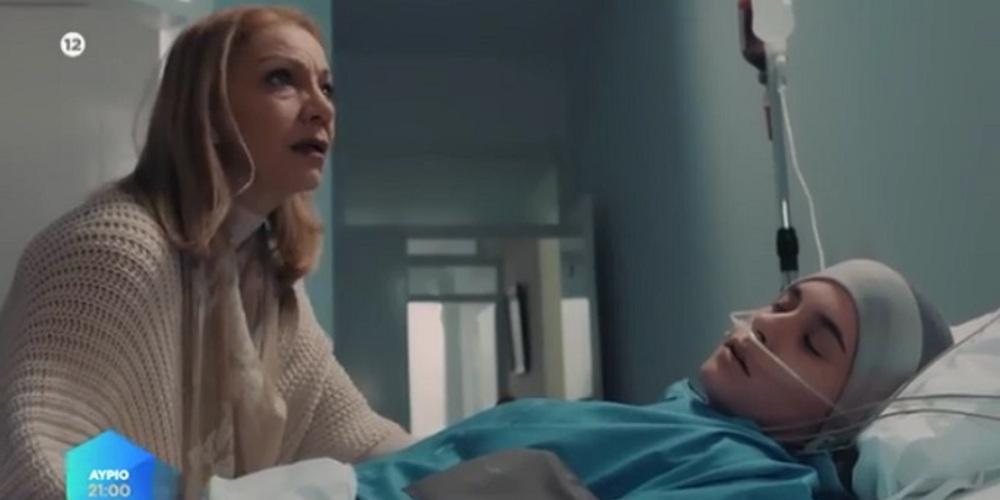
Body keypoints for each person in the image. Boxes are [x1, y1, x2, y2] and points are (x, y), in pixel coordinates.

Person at [0, 6, 411, 499]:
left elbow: (359, 441)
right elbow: (43, 463)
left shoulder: (262, 274)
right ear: (209, 111)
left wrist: (464, 459)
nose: (321, 108)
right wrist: (197, 495)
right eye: (282, 79)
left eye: (326, 87)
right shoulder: (116, 250)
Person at [355, 259, 954, 499]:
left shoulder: (759, 482)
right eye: (782, 303)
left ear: (846, 416)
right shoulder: (687, 419)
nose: (768, 327)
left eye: (814, 344)